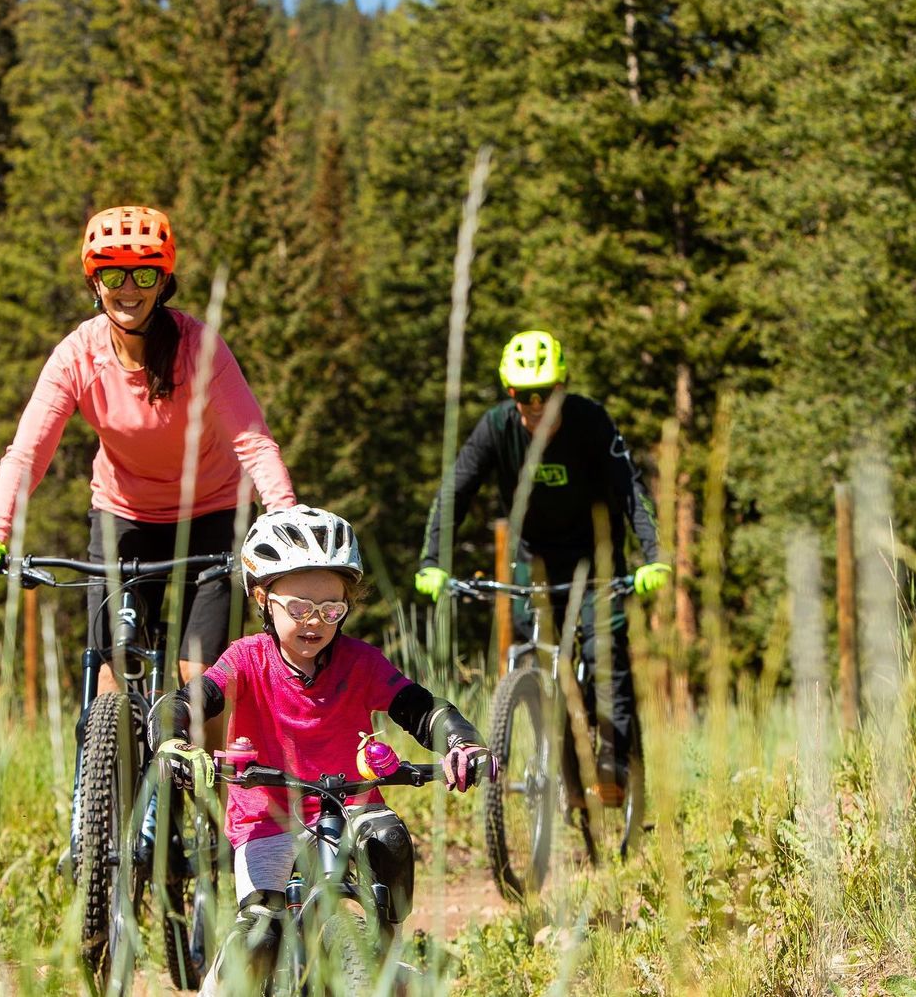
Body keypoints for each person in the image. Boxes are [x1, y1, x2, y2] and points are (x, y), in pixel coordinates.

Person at [150, 505, 497, 994]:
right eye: (299, 608)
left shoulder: (360, 662)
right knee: (259, 936)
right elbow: (193, 699)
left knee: (388, 839)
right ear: (262, 598)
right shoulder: (247, 659)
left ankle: (380, 959)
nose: (315, 622)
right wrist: (173, 739)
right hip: (267, 819)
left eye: (332, 609)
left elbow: (420, 709)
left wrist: (462, 741)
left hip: (352, 808)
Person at [0, 204, 296, 686]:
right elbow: (28, 454)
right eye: (114, 275)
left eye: (144, 274)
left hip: (214, 512)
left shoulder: (199, 348)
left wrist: (285, 522)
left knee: (200, 675)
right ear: (95, 283)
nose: (129, 289)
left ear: (164, 283)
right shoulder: (77, 355)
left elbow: (254, 443)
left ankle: (205, 738)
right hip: (124, 514)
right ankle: (107, 735)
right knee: (111, 671)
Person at [414, 329, 669, 804]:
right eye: (524, 395)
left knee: (604, 654)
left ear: (562, 387)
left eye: (545, 393)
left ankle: (614, 767)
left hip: (597, 558)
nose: (535, 405)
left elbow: (630, 488)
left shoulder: (591, 421)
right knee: (536, 652)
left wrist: (655, 556)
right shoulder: (496, 427)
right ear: (511, 394)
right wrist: (433, 560)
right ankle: (562, 765)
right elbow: (456, 491)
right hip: (534, 558)